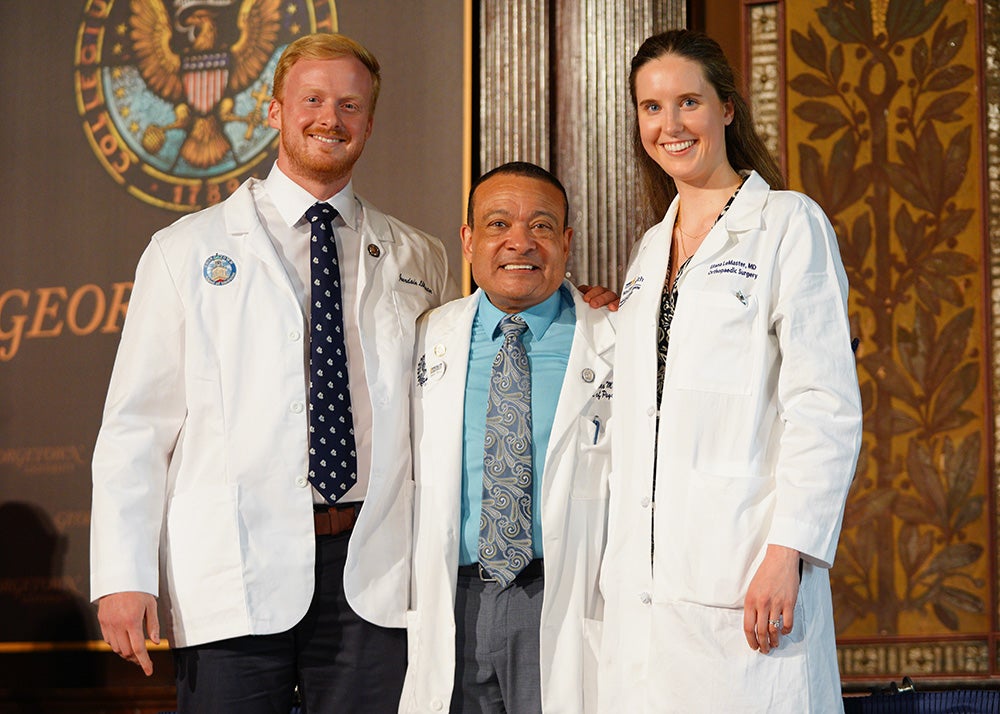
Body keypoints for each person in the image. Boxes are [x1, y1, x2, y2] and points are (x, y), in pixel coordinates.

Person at [89, 33, 461, 713]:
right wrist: (122, 575)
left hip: (372, 571)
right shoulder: (183, 252)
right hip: (236, 570)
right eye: (313, 100)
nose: (331, 118)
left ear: (369, 124)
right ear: (272, 111)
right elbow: (135, 429)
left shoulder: (419, 255)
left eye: (351, 105)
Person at [597, 30, 863, 713]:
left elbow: (823, 406)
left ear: (727, 110)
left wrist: (788, 553)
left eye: (689, 101)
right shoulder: (649, 251)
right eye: (651, 107)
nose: (670, 124)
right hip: (648, 592)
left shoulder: (786, 223)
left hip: (748, 573)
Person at [400, 162, 614, 714]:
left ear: (566, 243)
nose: (520, 242)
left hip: (564, 596)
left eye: (542, 226)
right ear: (468, 241)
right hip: (456, 599)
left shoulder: (616, 336)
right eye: (498, 224)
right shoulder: (425, 336)